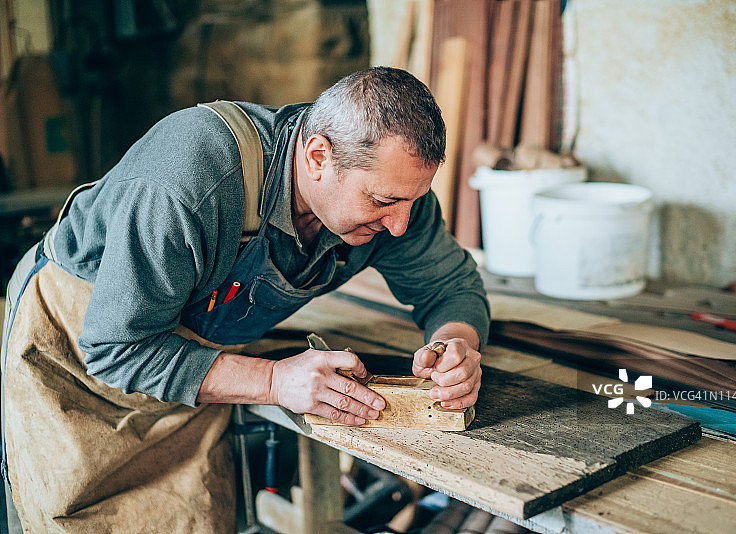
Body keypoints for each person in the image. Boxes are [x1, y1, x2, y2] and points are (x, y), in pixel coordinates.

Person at [1, 66, 489, 532]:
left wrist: (456, 345)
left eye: (412, 201)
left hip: (186, 385)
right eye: (382, 202)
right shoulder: (190, 179)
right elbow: (116, 347)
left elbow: (451, 286)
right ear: (318, 157)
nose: (400, 225)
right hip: (76, 371)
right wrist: (274, 380)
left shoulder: (397, 197)